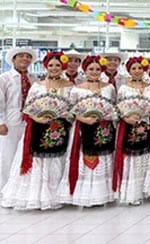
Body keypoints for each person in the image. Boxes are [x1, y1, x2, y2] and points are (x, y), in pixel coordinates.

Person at [1, 51, 72, 210]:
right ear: (46, 66)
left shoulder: (69, 87)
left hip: (59, 129)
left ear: (63, 67)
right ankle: (32, 195)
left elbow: (73, 108)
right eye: (51, 65)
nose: (54, 68)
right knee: (13, 157)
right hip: (34, 127)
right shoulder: (37, 85)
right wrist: (38, 118)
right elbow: (28, 108)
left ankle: (54, 195)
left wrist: (64, 115)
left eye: (58, 65)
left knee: (57, 160)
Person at [57, 55, 118, 207]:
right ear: (85, 70)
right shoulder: (77, 89)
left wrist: (106, 116)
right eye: (91, 69)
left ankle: (103, 194)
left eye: (98, 69)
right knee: (84, 158)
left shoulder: (109, 87)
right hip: (83, 128)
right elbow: (70, 110)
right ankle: (84, 195)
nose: (94, 72)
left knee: (104, 158)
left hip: (104, 128)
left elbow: (114, 108)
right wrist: (84, 119)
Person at [114, 56, 150, 206]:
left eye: (140, 68)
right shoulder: (124, 88)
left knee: (145, 157)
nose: (137, 71)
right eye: (134, 68)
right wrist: (126, 118)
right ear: (129, 70)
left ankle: (144, 190)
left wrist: (146, 114)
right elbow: (117, 108)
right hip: (129, 126)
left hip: (146, 125)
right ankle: (131, 193)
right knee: (131, 160)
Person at [0, 47, 39, 192]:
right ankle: (4, 188)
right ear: (13, 59)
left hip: (30, 123)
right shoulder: (4, 78)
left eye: (28, 56)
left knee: (26, 157)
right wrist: (1, 122)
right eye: (21, 56)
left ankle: (22, 189)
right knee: (8, 156)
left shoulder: (33, 79)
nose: (24, 59)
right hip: (11, 123)